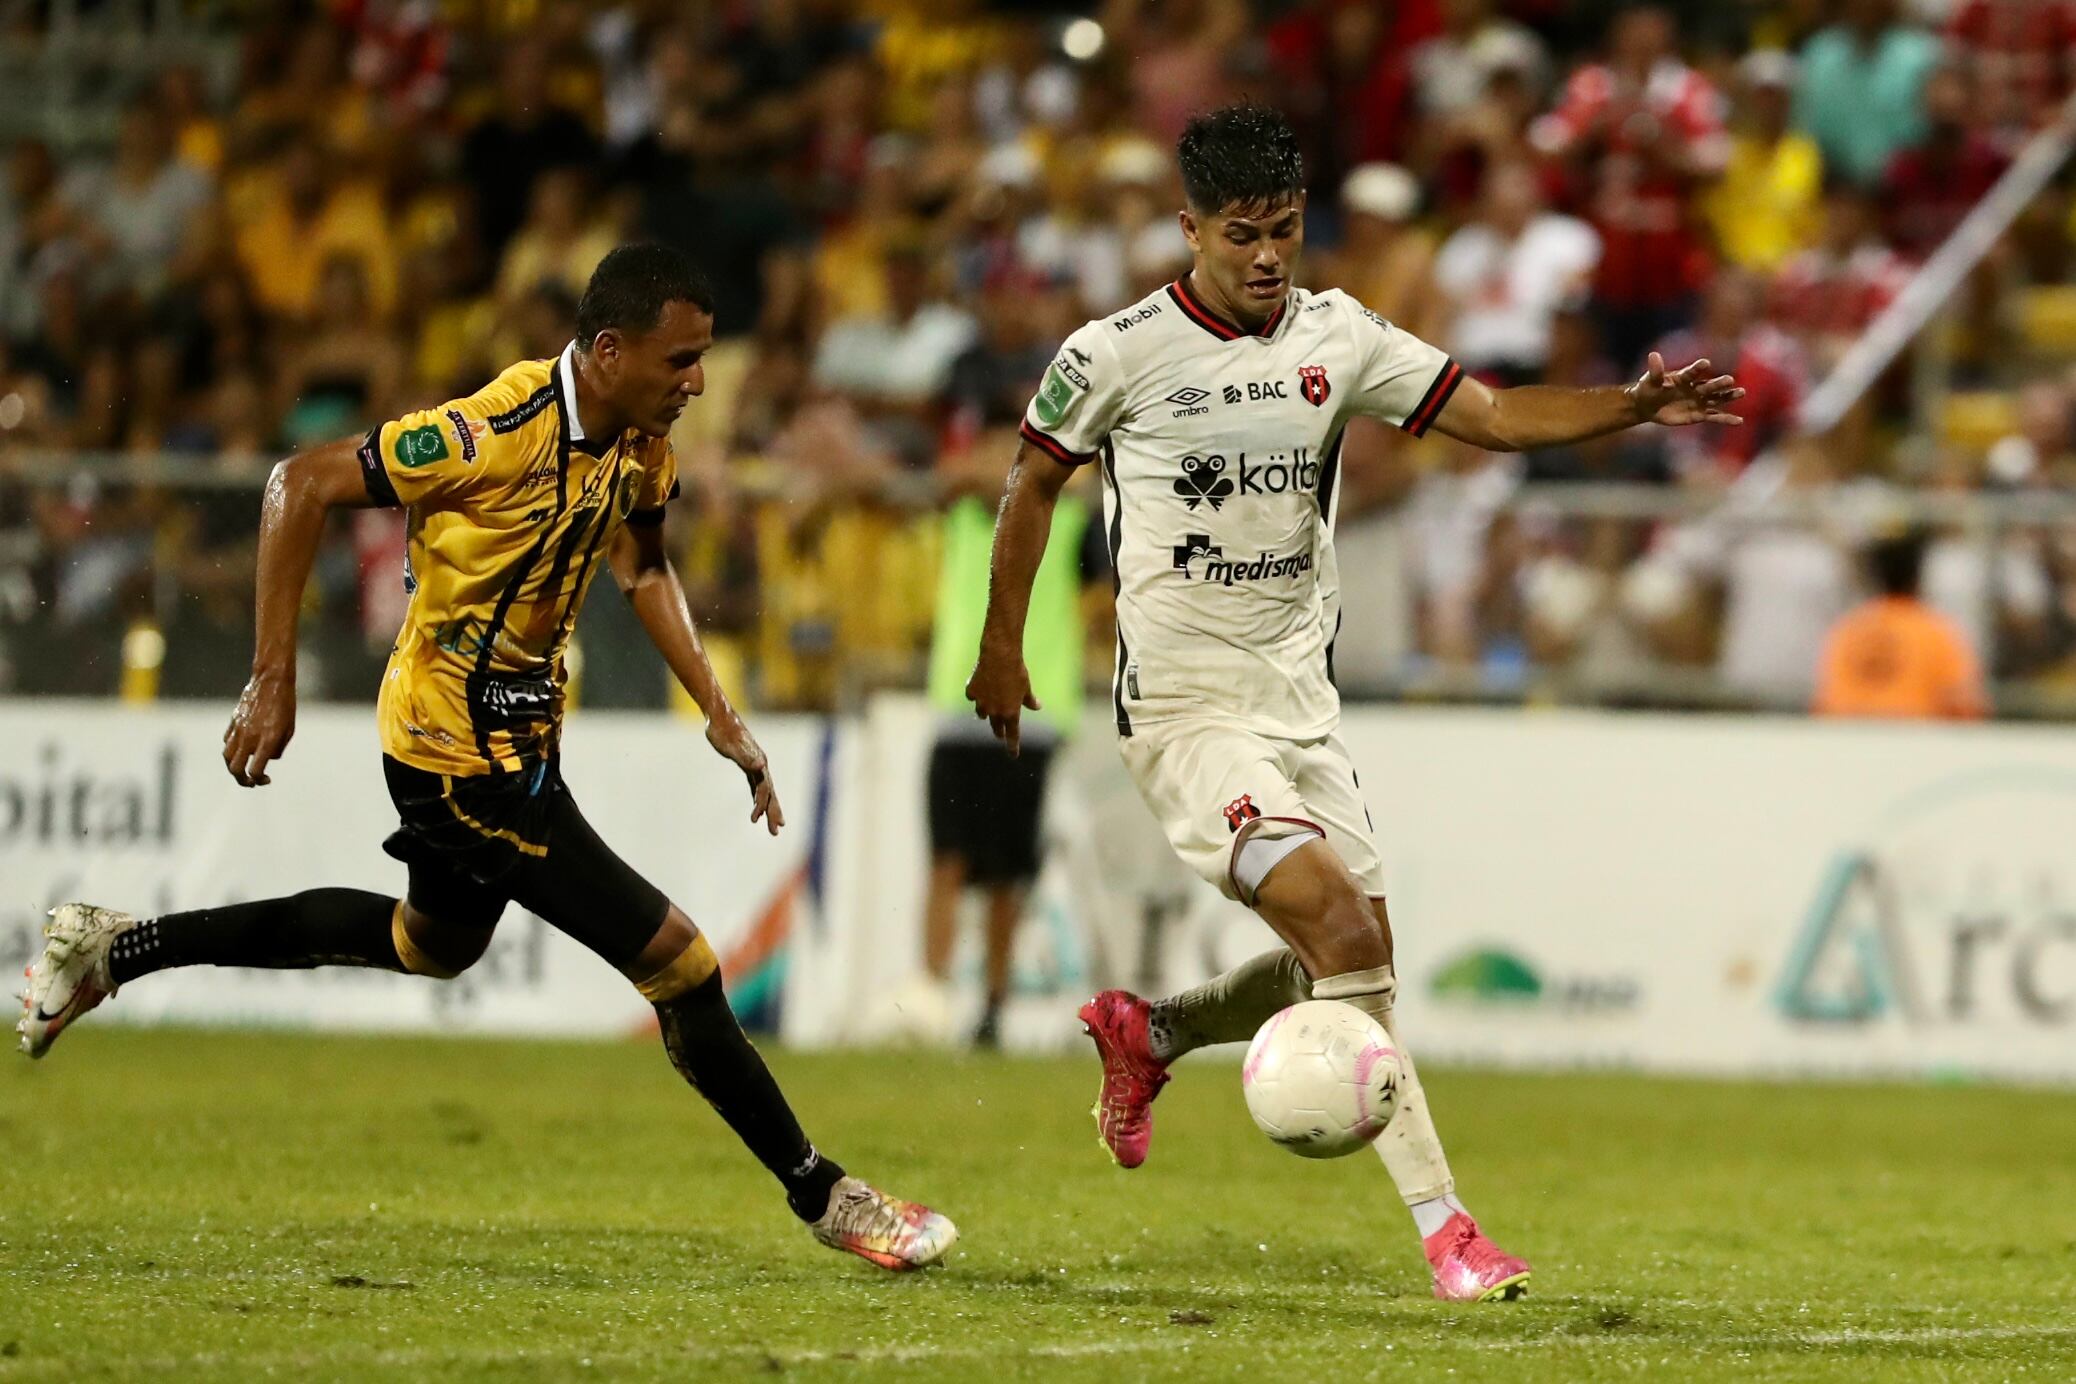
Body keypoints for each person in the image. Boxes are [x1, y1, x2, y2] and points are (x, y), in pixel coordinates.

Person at [17, 244, 957, 1273]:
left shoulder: (640, 445)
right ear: (607, 350)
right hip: (454, 757)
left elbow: (644, 566)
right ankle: (829, 1196)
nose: (697, 382)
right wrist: (270, 677)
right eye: (680, 360)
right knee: (683, 964)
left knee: (430, 943)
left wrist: (719, 709)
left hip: (521, 744)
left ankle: (115, 946)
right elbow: (301, 480)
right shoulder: (492, 430)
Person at [965, 105, 1742, 1302]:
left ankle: (1151, 1032)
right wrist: (1002, 645)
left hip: (1299, 703)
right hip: (1184, 709)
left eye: (1285, 230)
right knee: (1339, 934)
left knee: (1358, 964)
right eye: (1242, 235)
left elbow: (1486, 415)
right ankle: (1451, 1232)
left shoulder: (1340, 334)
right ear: (1188, 230)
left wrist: (1627, 410)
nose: (1269, 256)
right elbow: (1031, 484)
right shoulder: (1115, 352)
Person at [916, 429, 1103, 1048]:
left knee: (1004, 875)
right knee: (947, 861)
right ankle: (933, 995)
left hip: (1033, 715)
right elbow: (950, 478)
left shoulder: (1071, 521)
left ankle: (992, 1007)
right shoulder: (969, 509)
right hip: (956, 709)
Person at [1815, 528, 1988, 720]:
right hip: (1915, 741)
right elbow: (1963, 706)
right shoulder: (1936, 631)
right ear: (1917, 575)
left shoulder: (1848, 629)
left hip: (1849, 739)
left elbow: (1824, 703)